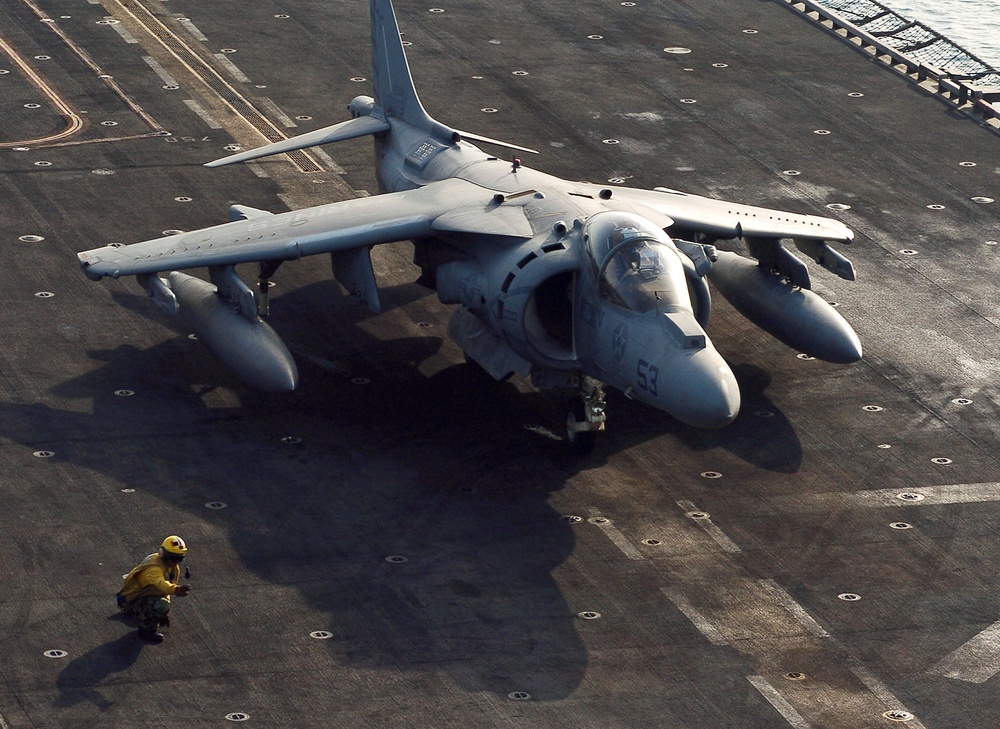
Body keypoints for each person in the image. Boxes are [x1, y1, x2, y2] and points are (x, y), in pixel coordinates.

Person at [117, 535, 191, 643]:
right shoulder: (154, 569)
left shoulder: (173, 568)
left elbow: (165, 591)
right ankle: (146, 630)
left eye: (180, 558)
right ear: (164, 555)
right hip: (131, 599)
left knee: (163, 605)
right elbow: (161, 584)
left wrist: (164, 613)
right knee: (161, 605)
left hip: (146, 594)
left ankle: (144, 613)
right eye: (174, 558)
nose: (177, 562)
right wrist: (175, 590)